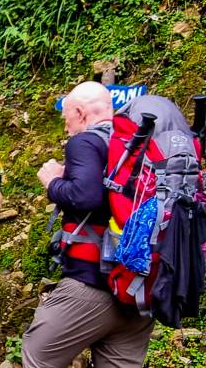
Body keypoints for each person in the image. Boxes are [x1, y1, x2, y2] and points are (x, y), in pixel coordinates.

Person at [21, 81, 153, 367]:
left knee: (37, 353)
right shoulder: (137, 145)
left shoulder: (85, 141)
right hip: (140, 288)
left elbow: (86, 197)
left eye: (65, 117)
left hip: (91, 282)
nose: (65, 126)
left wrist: (53, 181)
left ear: (79, 112)